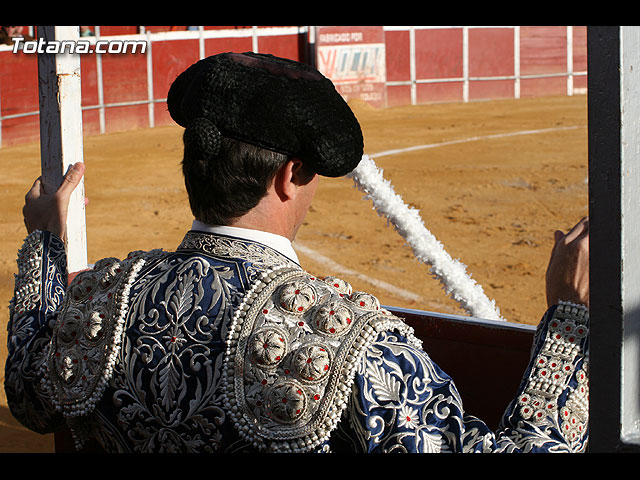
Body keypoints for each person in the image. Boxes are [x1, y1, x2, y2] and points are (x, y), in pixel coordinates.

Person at [5, 52, 590, 453]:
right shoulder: (353, 345)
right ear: (289, 176)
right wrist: (568, 320)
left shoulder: (101, 301)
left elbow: (28, 394)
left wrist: (44, 243)